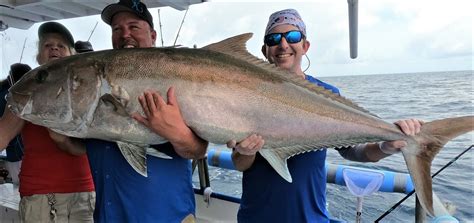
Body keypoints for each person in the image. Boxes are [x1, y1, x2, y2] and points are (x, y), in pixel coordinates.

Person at [230, 9, 424, 223]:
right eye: (274, 38)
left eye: (293, 36)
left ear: (305, 46)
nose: (283, 44)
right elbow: (240, 163)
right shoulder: (245, 94)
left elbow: (353, 151)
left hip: (310, 218)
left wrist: (386, 146)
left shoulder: (327, 95)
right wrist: (245, 151)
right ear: (265, 50)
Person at [84, 1, 207, 222]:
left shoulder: (177, 78)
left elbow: (198, 150)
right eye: (117, 29)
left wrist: (175, 133)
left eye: (134, 27)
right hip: (110, 215)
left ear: (152, 35)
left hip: (165, 215)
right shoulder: (98, 84)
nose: (125, 35)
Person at [0, 22, 95, 223]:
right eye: (47, 45)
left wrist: (64, 142)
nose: (54, 48)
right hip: (43, 197)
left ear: (73, 54)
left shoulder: (89, 90)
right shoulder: (26, 90)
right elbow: (2, 135)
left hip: (86, 194)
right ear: (38, 56)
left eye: (61, 45)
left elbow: (92, 145)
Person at [0, 63, 31, 184]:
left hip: (12, 154)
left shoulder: (2, 92)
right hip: (22, 152)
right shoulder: (12, 95)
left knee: (19, 187)